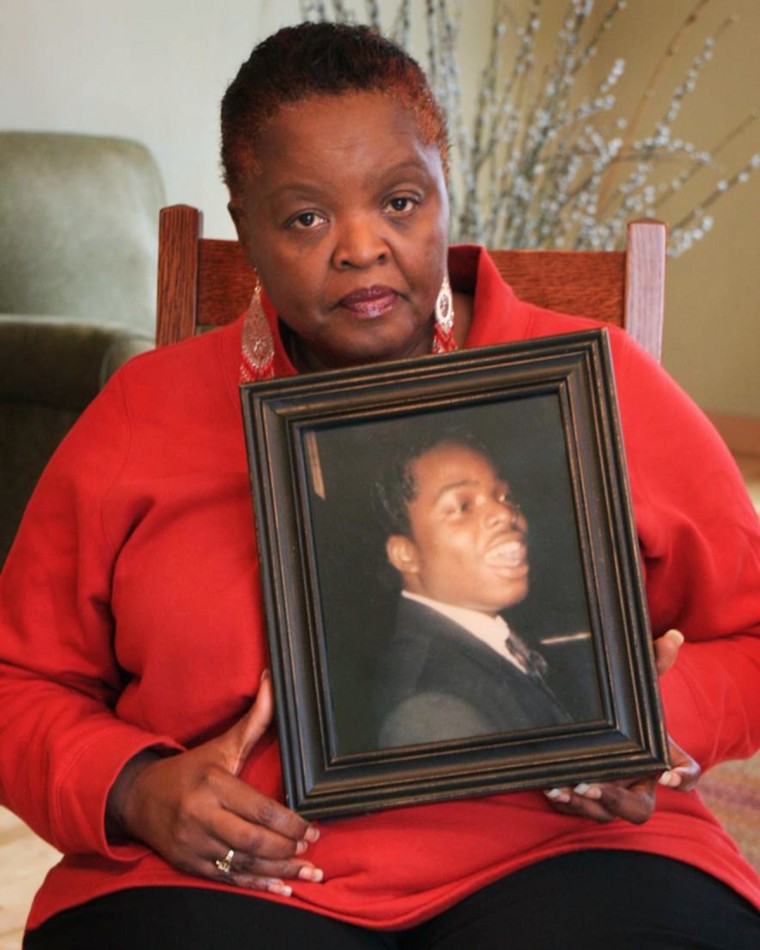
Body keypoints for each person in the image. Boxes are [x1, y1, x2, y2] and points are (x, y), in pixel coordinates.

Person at [0, 20, 759, 949]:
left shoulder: (596, 378)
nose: (361, 247)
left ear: (446, 189)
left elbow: (750, 630)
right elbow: (19, 680)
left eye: (400, 202)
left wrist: (649, 724)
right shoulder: (140, 412)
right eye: (307, 217)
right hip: (236, 880)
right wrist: (133, 787)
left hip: (567, 850)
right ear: (246, 226)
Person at [374, 433, 574, 748]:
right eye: (463, 506)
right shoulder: (430, 714)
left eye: (505, 497)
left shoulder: (494, 643)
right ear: (406, 554)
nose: (506, 514)